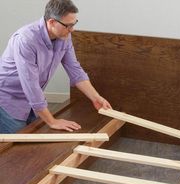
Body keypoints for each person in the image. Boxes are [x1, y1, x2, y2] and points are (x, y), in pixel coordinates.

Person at [0, 0, 111, 134]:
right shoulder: (26, 39)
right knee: (15, 148)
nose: (72, 29)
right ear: (52, 22)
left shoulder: (64, 36)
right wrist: (52, 121)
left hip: (32, 102)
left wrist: (96, 98)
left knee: (34, 139)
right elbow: (31, 85)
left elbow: (75, 71)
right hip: (8, 101)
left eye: (74, 24)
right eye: (68, 25)